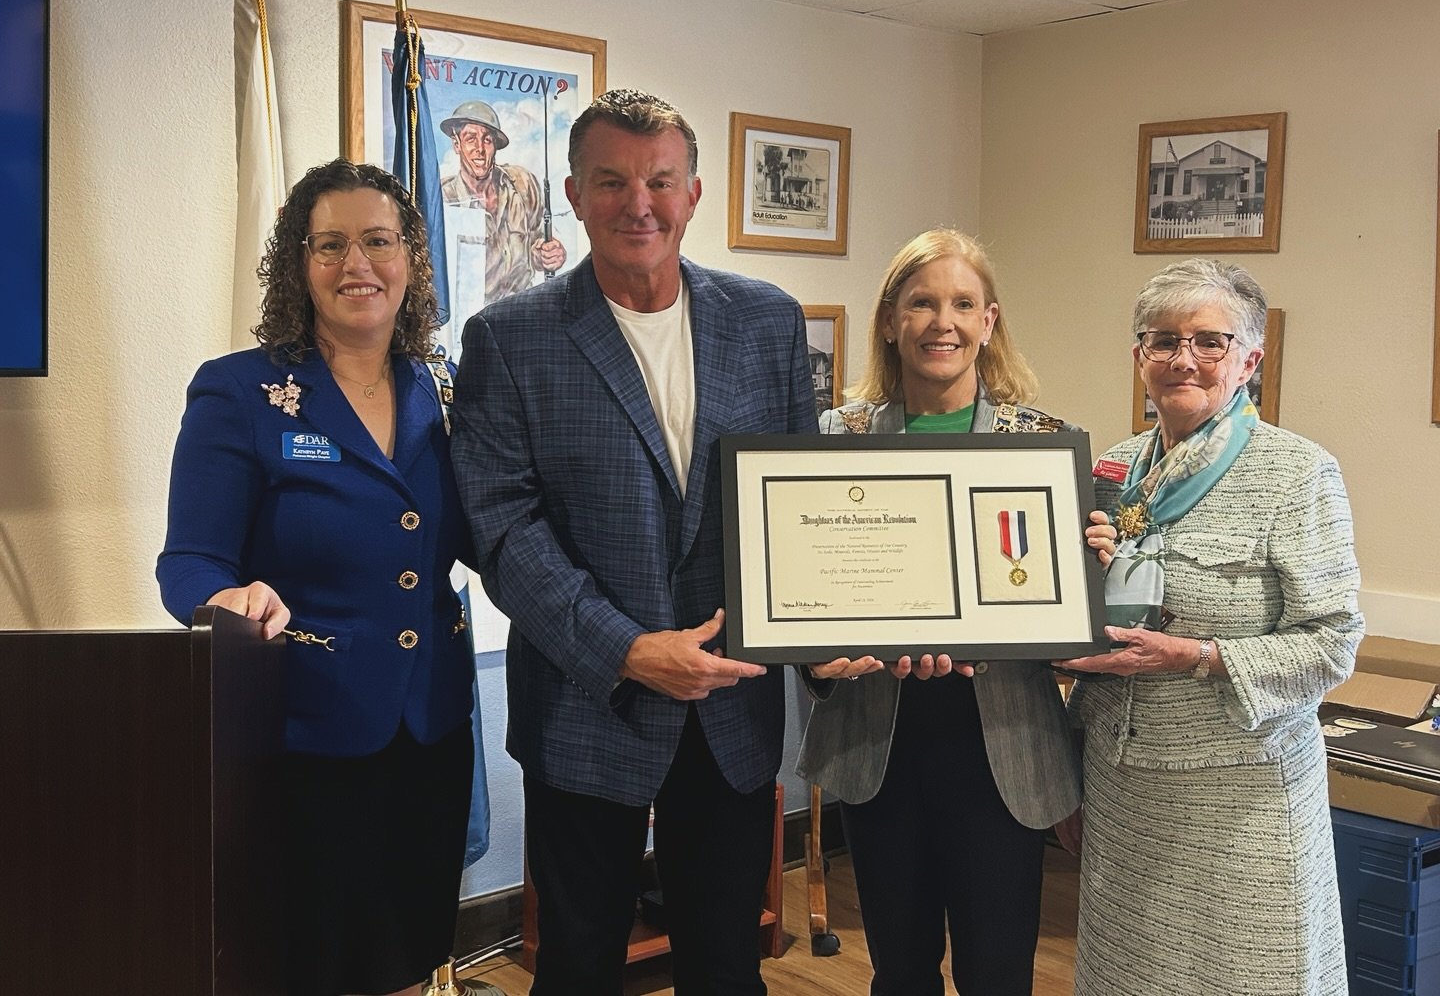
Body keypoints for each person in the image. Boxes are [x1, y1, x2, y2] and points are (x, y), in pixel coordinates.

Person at [451, 89, 825, 996]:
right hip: (589, 702)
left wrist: (827, 632)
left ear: (694, 193)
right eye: (612, 181)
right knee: (577, 962)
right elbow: (500, 527)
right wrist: (626, 649)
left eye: (660, 180)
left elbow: (802, 500)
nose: (639, 203)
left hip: (733, 703)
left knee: (729, 961)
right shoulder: (509, 338)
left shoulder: (767, 320)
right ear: (574, 195)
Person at [157, 159, 481, 996]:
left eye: (377, 241)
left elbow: (493, 531)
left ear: (410, 256)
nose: (356, 265)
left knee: (411, 953)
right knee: (320, 962)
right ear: (298, 265)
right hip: (308, 733)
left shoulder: (446, 388)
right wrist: (222, 598)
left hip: (432, 724)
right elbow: (190, 559)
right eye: (329, 245)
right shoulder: (241, 390)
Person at [796, 228, 1106, 996]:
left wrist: (1092, 571)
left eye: (964, 304)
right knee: (899, 971)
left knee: (998, 973)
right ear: (891, 320)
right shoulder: (837, 438)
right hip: (880, 743)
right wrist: (811, 652)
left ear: (990, 320)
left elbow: (1069, 624)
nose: (944, 322)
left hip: (1000, 750)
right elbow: (806, 589)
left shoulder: (1044, 446)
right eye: (923, 303)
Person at [1058, 259, 1363, 996]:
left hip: (1242, 799)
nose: (1182, 359)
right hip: (1124, 790)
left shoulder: (1297, 473)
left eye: (1209, 341)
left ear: (1250, 359)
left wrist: (1193, 656)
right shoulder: (1109, 468)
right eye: (1163, 341)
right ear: (1139, 358)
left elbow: (1332, 642)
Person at [440, 99, 566, 300]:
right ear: (457, 145)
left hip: (522, 311)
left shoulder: (523, 185)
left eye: (487, 140)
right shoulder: (442, 199)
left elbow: (539, 239)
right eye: (471, 139)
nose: (480, 149)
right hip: (470, 316)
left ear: (496, 146)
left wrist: (548, 253)